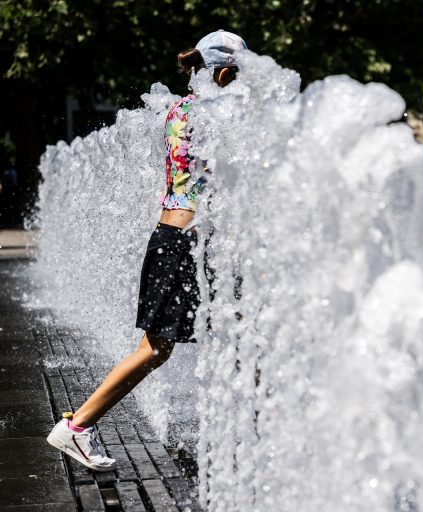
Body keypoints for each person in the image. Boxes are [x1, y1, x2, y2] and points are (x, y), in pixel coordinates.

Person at [46, 30, 247, 471]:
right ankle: (78, 425)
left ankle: (254, 422)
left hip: (179, 241)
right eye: (241, 74)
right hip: (183, 246)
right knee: (156, 349)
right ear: (227, 72)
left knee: (236, 327)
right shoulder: (213, 114)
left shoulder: (182, 108)